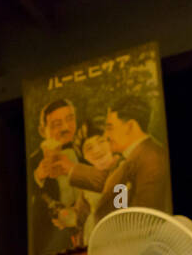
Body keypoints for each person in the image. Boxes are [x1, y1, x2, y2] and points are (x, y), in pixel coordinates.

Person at [49, 95, 171, 241]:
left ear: (130, 126)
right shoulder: (129, 160)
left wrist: (71, 169)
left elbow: (144, 216)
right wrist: (66, 216)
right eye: (88, 148)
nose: (97, 149)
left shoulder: (147, 157)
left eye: (109, 130)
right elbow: (85, 212)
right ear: (84, 156)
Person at [28, 98, 84, 255]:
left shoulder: (86, 151)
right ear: (42, 130)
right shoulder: (33, 161)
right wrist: (38, 176)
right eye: (57, 124)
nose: (66, 128)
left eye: (70, 119)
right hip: (52, 241)